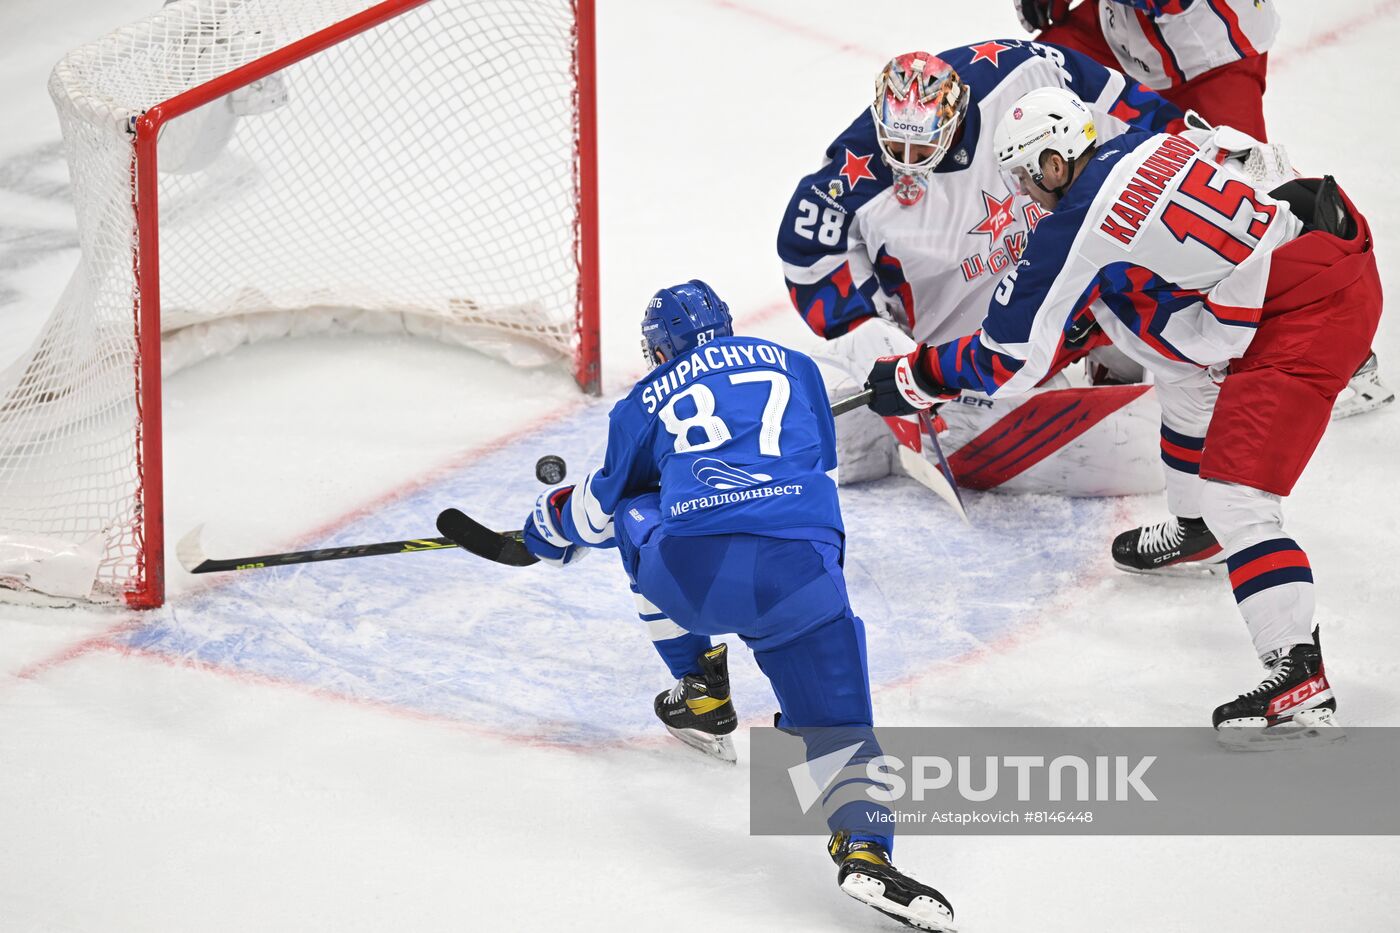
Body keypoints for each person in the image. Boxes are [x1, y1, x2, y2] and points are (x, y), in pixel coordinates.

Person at [864, 87, 1378, 743]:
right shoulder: (1152, 141)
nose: (1027, 193)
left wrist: (919, 375)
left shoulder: (1072, 224)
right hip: (1312, 257)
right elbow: (1257, 168)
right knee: (1182, 374)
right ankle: (1199, 529)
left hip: (1305, 319)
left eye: (1027, 175)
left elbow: (1009, 360)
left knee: (1239, 498)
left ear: (1055, 163)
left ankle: (1298, 673)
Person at [518, 280, 955, 930]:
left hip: (700, 574)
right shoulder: (798, 367)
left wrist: (543, 529)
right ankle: (866, 850)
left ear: (658, 348)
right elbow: (820, 478)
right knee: (839, 727)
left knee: (637, 509)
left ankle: (701, 688)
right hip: (806, 573)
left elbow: (596, 509)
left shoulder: (642, 400)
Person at [778, 41, 1183, 496]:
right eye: (895, 144)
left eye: (923, 144)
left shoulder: (1021, 75)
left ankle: (1108, 360)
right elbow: (806, 252)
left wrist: (1191, 143)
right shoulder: (850, 179)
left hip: (1044, 273)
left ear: (955, 118)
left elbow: (1123, 108)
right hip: (963, 333)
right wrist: (866, 330)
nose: (908, 162)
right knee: (1005, 359)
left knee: (1127, 270)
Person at [1018, 0, 1394, 420]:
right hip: (1123, 31)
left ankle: (1343, 349)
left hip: (1211, 51)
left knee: (1246, 196)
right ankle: (1106, 344)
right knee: (1029, 78)